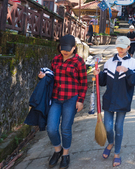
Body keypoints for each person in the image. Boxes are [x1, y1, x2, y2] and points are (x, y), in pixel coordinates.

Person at [93, 36, 135, 167]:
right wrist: (98, 74)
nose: (120, 49)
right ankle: (110, 142)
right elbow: (103, 82)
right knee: (108, 127)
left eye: (123, 47)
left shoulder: (132, 63)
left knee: (118, 127)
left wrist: (127, 71)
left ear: (128, 47)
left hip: (123, 99)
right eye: (118, 46)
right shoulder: (110, 62)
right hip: (109, 99)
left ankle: (117, 153)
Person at [41, 34, 87, 169]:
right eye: (63, 48)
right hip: (56, 98)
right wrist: (44, 76)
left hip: (71, 99)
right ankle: (58, 150)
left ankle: (65, 154)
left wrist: (80, 100)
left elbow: (84, 83)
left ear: (74, 48)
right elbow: (51, 78)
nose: (65, 51)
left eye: (68, 48)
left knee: (66, 128)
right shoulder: (55, 60)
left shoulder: (79, 62)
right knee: (51, 128)